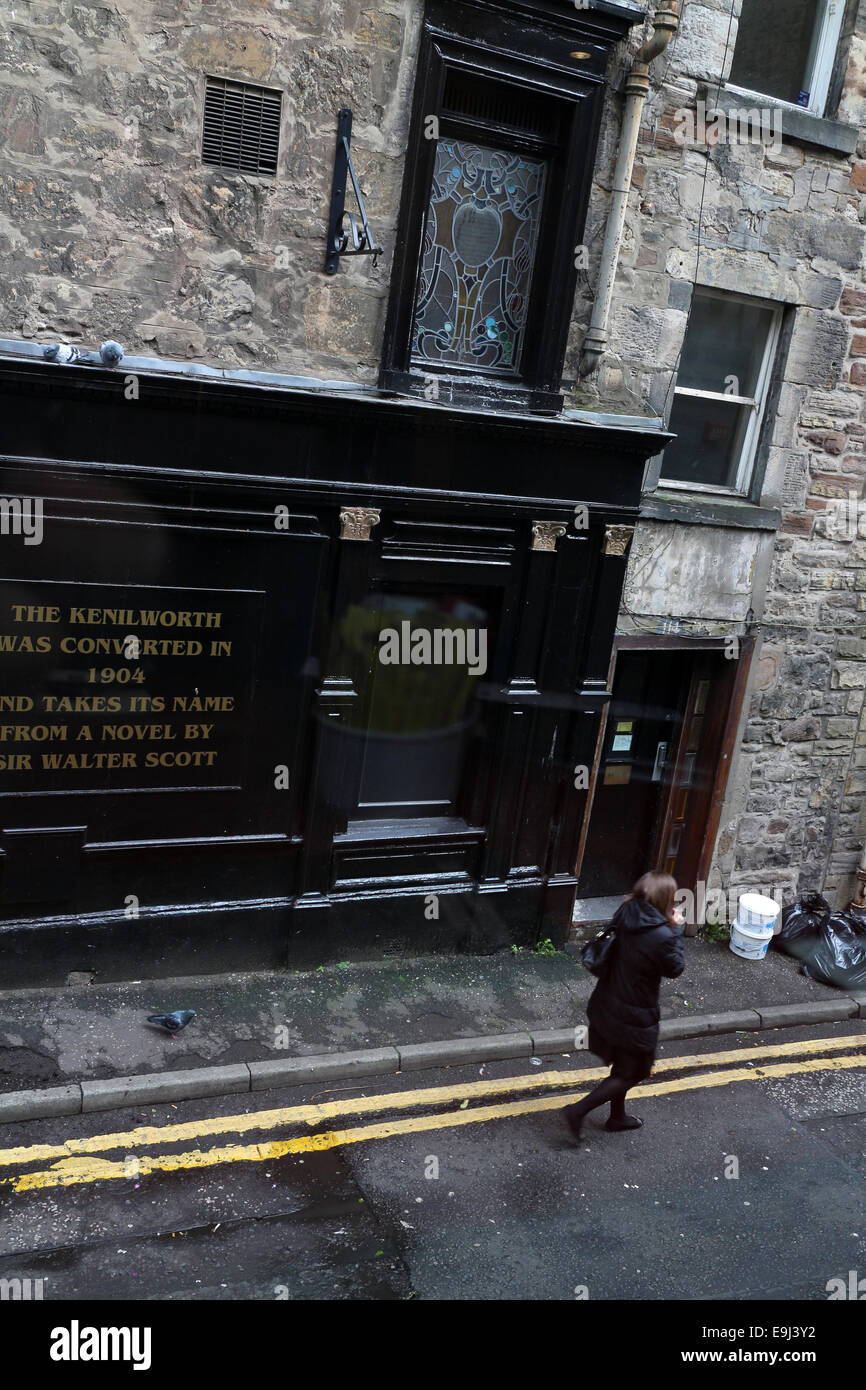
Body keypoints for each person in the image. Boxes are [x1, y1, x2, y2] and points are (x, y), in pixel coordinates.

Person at [565, 871, 685, 1143]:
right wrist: (676, 928)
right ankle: (577, 1111)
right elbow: (675, 968)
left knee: (622, 1067)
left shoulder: (627, 911)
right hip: (634, 1015)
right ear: (666, 899)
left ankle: (617, 1117)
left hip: (608, 1003)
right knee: (636, 1071)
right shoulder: (663, 935)